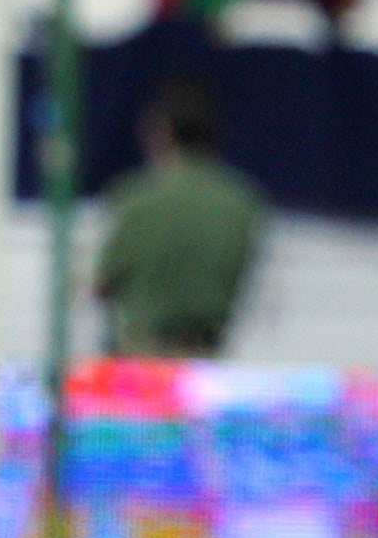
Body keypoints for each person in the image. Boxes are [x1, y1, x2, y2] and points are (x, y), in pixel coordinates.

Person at [92, 78, 267, 358]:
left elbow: (102, 284)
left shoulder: (136, 198)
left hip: (143, 361)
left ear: (163, 131)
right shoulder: (243, 202)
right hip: (206, 359)